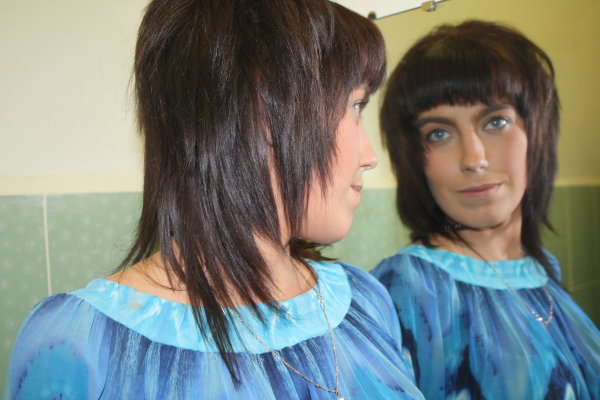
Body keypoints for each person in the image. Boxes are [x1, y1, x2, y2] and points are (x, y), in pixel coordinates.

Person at [4, 1, 425, 399]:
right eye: (355, 105)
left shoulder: (365, 302)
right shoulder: (78, 346)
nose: (369, 156)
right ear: (262, 107)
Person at [371, 20, 600, 399]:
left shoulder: (541, 269)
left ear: (536, 131)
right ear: (413, 157)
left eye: (496, 122)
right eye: (439, 133)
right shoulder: (406, 289)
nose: (474, 159)